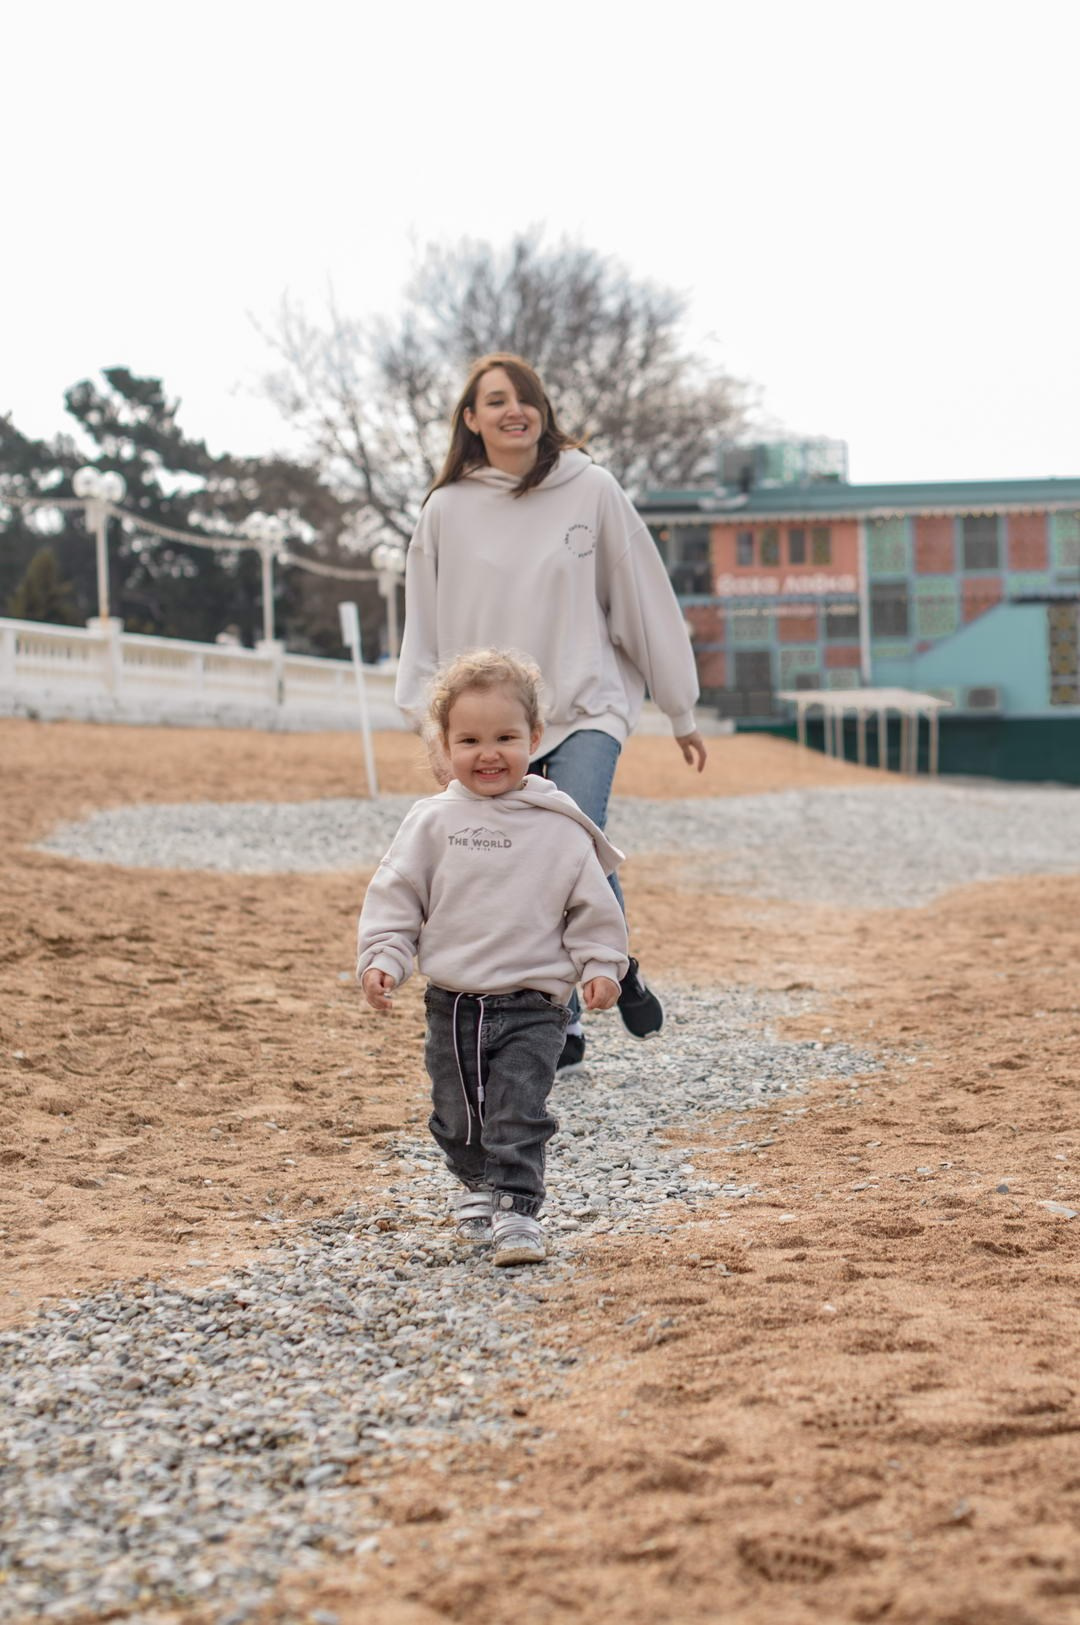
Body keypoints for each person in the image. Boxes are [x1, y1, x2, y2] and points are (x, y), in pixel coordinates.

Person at [395, 352, 706, 1075]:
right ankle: (588, 995)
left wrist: (680, 706)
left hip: (586, 702)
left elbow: (642, 598)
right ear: (471, 420)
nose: (514, 410)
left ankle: (586, 986)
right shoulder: (446, 509)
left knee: (573, 833)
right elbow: (423, 629)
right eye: (495, 400)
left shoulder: (591, 489)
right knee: (526, 857)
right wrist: (430, 724)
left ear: (543, 411)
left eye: (525, 397)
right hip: (491, 722)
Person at [358, 648, 629, 1266]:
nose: (488, 754)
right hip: (452, 1002)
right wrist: (384, 957)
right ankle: (476, 1181)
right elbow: (398, 897)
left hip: (534, 1004)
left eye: (505, 738)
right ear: (445, 745)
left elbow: (592, 906)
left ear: (534, 737)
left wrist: (600, 965)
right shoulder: (431, 822)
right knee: (456, 1117)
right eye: (470, 740)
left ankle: (517, 1209)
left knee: (517, 1110)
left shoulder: (559, 826)